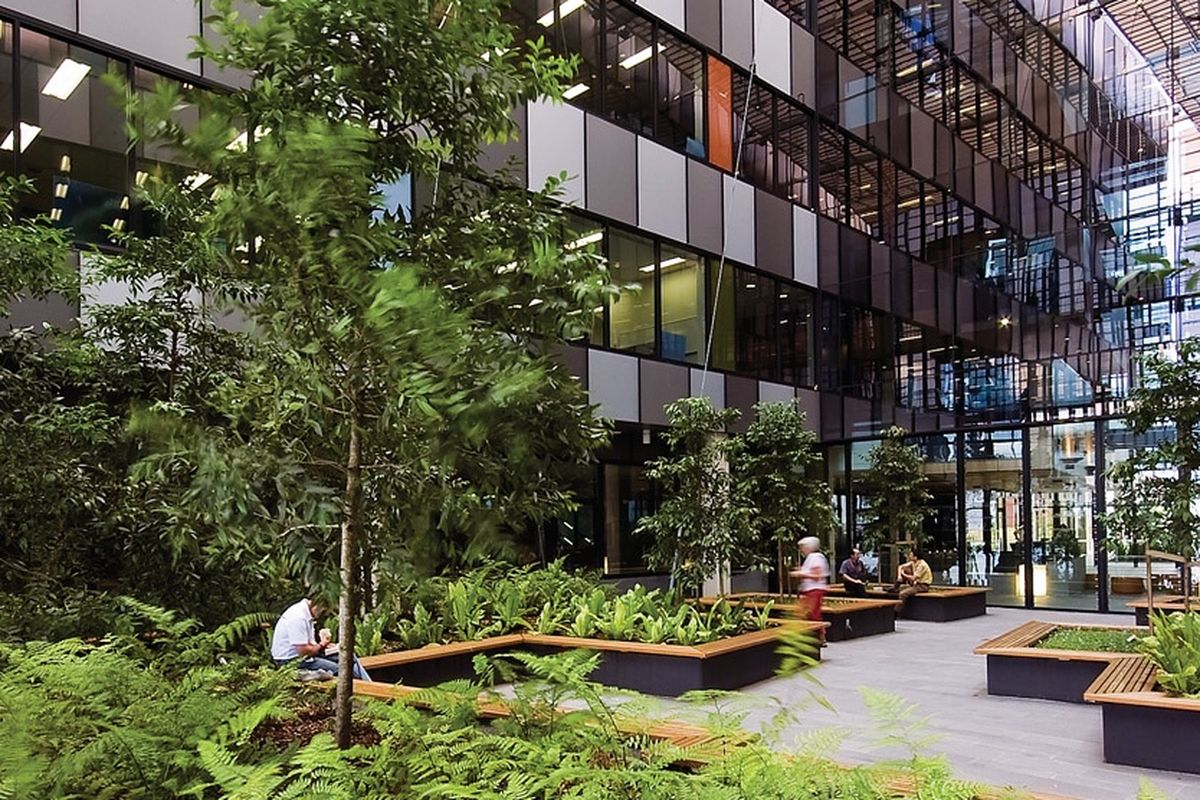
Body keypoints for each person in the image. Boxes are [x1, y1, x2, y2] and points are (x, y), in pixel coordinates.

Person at [271, 598, 372, 681]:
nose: (322, 614)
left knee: (349, 656)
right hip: (291, 661)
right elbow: (303, 651)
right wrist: (321, 644)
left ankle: (370, 685)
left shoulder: (307, 614)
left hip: (305, 656)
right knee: (343, 671)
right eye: (323, 610)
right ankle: (364, 689)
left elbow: (309, 644)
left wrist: (328, 646)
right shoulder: (298, 618)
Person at [789, 536, 830, 643]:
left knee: (814, 613)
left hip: (815, 590)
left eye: (803, 547)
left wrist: (800, 573)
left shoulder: (816, 557)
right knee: (808, 613)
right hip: (810, 590)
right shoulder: (811, 557)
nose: (802, 549)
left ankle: (820, 636)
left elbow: (817, 575)